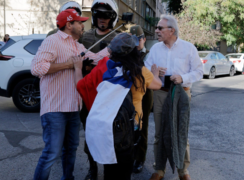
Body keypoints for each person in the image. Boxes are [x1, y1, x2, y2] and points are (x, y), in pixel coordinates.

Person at [31, 9, 111, 180]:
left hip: (74, 108)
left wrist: (113, 47)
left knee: (71, 150)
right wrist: (68, 65)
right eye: (80, 22)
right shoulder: (52, 41)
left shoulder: (77, 45)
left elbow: (96, 59)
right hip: (55, 109)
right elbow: (37, 68)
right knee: (51, 153)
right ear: (69, 25)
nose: (83, 26)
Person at [74, 33, 162, 180]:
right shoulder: (140, 72)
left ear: (111, 52)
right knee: (125, 171)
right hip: (131, 128)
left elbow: (81, 86)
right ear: (134, 51)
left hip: (107, 127)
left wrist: (78, 69)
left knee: (109, 168)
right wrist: (155, 73)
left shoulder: (103, 68)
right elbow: (157, 85)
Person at [145, 14, 203, 180]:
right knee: (159, 133)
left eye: (160, 28)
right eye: (157, 28)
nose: (156, 30)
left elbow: (199, 72)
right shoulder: (155, 49)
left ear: (171, 30)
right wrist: (155, 73)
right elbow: (145, 70)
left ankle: (183, 171)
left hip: (181, 94)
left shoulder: (188, 48)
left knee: (180, 132)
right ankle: (159, 169)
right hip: (160, 93)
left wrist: (182, 78)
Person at [78, 1, 119, 179]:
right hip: (88, 91)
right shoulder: (84, 36)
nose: (103, 20)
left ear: (112, 19)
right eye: (100, 17)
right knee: (90, 131)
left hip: (110, 93)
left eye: (106, 18)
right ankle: (92, 168)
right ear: (95, 18)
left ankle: (111, 169)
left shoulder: (118, 38)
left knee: (111, 132)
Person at [129, 25, 152, 173]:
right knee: (130, 126)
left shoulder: (149, 54)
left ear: (144, 39)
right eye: (133, 40)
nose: (137, 43)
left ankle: (140, 159)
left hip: (147, 92)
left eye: (139, 39)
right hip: (132, 93)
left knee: (142, 126)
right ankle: (130, 156)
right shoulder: (127, 53)